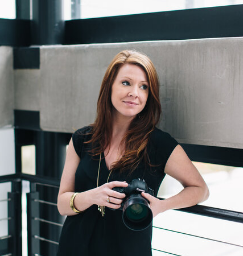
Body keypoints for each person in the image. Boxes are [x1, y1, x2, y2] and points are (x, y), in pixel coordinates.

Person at [57, 50, 209, 256]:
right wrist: (92, 196)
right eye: (126, 83)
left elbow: (200, 189)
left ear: (149, 95)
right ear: (109, 86)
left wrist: (162, 206)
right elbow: (62, 204)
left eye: (143, 86)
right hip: (74, 248)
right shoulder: (81, 139)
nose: (134, 93)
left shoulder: (159, 144)